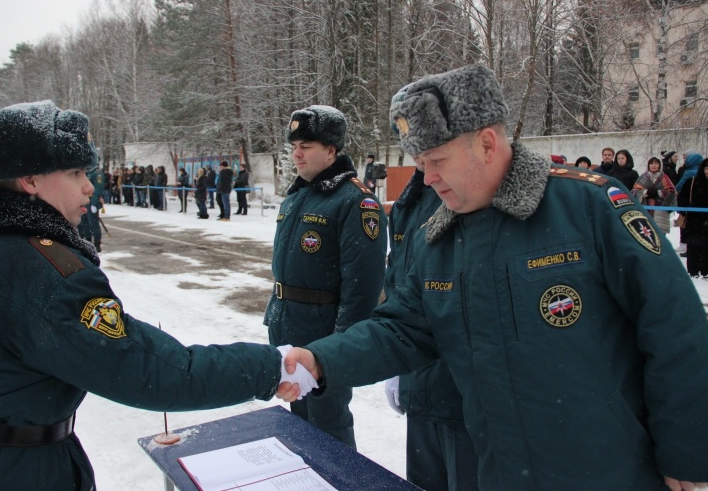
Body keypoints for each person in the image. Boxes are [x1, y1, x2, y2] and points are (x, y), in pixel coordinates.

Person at [277, 64, 708, 490]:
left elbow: (676, 329)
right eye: (420, 162)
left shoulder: (589, 208)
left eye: (437, 160)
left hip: (606, 469)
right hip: (500, 468)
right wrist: (320, 361)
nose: (427, 178)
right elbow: (400, 329)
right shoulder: (439, 237)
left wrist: (687, 451)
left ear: (486, 143)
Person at [0, 100, 315, 491]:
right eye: (74, 172)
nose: (89, 186)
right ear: (30, 180)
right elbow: (155, 373)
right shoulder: (50, 276)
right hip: (16, 473)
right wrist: (268, 366)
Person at [264, 105, 387, 449]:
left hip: (324, 337)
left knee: (328, 427)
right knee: (299, 425)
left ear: (331, 150)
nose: (297, 154)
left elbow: (363, 286)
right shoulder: (298, 195)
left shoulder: (355, 202)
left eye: (307, 145)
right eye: (293, 147)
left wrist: (342, 347)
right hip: (289, 327)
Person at [381, 89, 478, 490]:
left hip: (466, 399)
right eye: (417, 157)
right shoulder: (415, 196)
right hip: (421, 381)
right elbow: (399, 280)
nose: (425, 169)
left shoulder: (477, 199)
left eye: (434, 157)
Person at [677, 157, 708, 278]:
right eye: (706, 168)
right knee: (694, 246)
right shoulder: (692, 181)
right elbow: (682, 197)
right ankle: (693, 270)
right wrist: (685, 209)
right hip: (694, 220)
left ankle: (705, 270)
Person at [631, 157, 676, 234]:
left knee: (660, 235)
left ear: (660, 165)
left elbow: (672, 191)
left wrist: (658, 193)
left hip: (660, 210)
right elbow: (634, 191)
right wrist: (645, 193)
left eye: (656, 163)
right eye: (651, 163)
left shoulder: (664, 177)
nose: (653, 165)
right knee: (646, 234)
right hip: (645, 209)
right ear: (648, 165)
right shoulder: (643, 177)